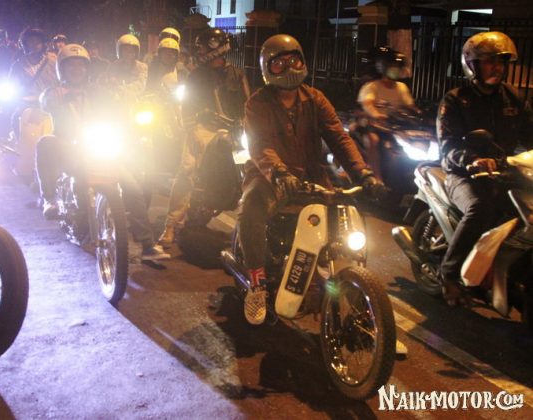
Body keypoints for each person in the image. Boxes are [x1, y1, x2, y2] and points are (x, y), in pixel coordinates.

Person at [239, 34, 384, 325]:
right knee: (251, 209)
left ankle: (360, 300)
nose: (289, 68)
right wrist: (279, 173)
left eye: (294, 61)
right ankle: (257, 283)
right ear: (268, 68)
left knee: (345, 218)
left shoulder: (316, 99)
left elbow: (339, 138)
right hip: (270, 177)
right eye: (279, 63)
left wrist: (364, 173)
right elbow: (260, 145)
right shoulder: (258, 103)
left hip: (311, 175)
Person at [35, 44, 170, 261]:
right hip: (71, 150)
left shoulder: (97, 91)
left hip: (98, 149)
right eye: (71, 66)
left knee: (133, 187)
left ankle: (147, 244)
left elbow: (117, 105)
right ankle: (48, 198)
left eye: (81, 66)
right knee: (45, 143)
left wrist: (130, 108)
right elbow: (45, 100)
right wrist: (54, 98)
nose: (77, 70)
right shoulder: (54, 92)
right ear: (62, 69)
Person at [437, 31, 533, 306]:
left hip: (506, 171)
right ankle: (449, 274)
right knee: (480, 207)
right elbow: (448, 145)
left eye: (501, 62)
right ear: (473, 65)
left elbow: (529, 134)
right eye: (490, 61)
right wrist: (472, 159)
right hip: (464, 174)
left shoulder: (513, 97)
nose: (497, 67)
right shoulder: (456, 99)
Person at [158, 27, 250, 246]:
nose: (198, 52)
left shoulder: (237, 74)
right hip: (204, 128)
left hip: (234, 132)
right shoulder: (196, 76)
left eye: (201, 48)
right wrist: (194, 121)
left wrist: (248, 121)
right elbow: (187, 107)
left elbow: (249, 104)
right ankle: (171, 224)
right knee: (187, 169)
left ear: (214, 48)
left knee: (257, 169)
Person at [357, 47, 418, 180]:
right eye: (392, 67)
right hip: (375, 125)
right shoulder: (372, 87)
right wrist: (376, 114)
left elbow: (410, 106)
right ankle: (376, 178)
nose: (395, 70)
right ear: (383, 68)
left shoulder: (401, 87)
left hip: (395, 126)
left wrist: (421, 115)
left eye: (398, 67)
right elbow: (368, 104)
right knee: (373, 141)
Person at [104, 34, 147, 100]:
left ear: (136, 52)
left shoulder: (142, 67)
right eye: (126, 50)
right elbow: (108, 81)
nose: (129, 53)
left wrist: (123, 89)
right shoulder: (113, 66)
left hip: (135, 101)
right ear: (120, 51)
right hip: (115, 99)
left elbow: (140, 85)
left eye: (132, 50)